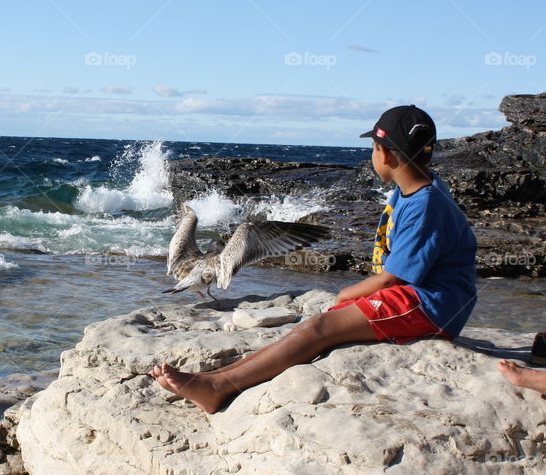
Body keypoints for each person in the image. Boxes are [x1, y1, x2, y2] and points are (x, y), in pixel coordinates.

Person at [151, 105, 478, 413]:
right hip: (417, 297)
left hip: (430, 305)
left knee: (320, 326)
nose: (373, 155)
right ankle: (214, 380)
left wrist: (351, 292)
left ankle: (217, 386)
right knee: (313, 326)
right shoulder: (421, 189)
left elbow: (398, 276)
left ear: (386, 154)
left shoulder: (424, 204)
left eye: (374, 149)